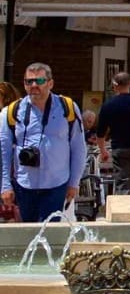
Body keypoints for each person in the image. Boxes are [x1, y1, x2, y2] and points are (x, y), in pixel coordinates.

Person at [0, 62, 86, 222]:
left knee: (50, 234)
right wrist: (5, 185)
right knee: (28, 235)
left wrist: (74, 182)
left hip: (57, 183)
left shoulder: (67, 108)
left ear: (50, 83)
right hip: (24, 185)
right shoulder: (11, 111)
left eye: (39, 81)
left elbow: (79, 148)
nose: (34, 85)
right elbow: (3, 152)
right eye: (29, 81)